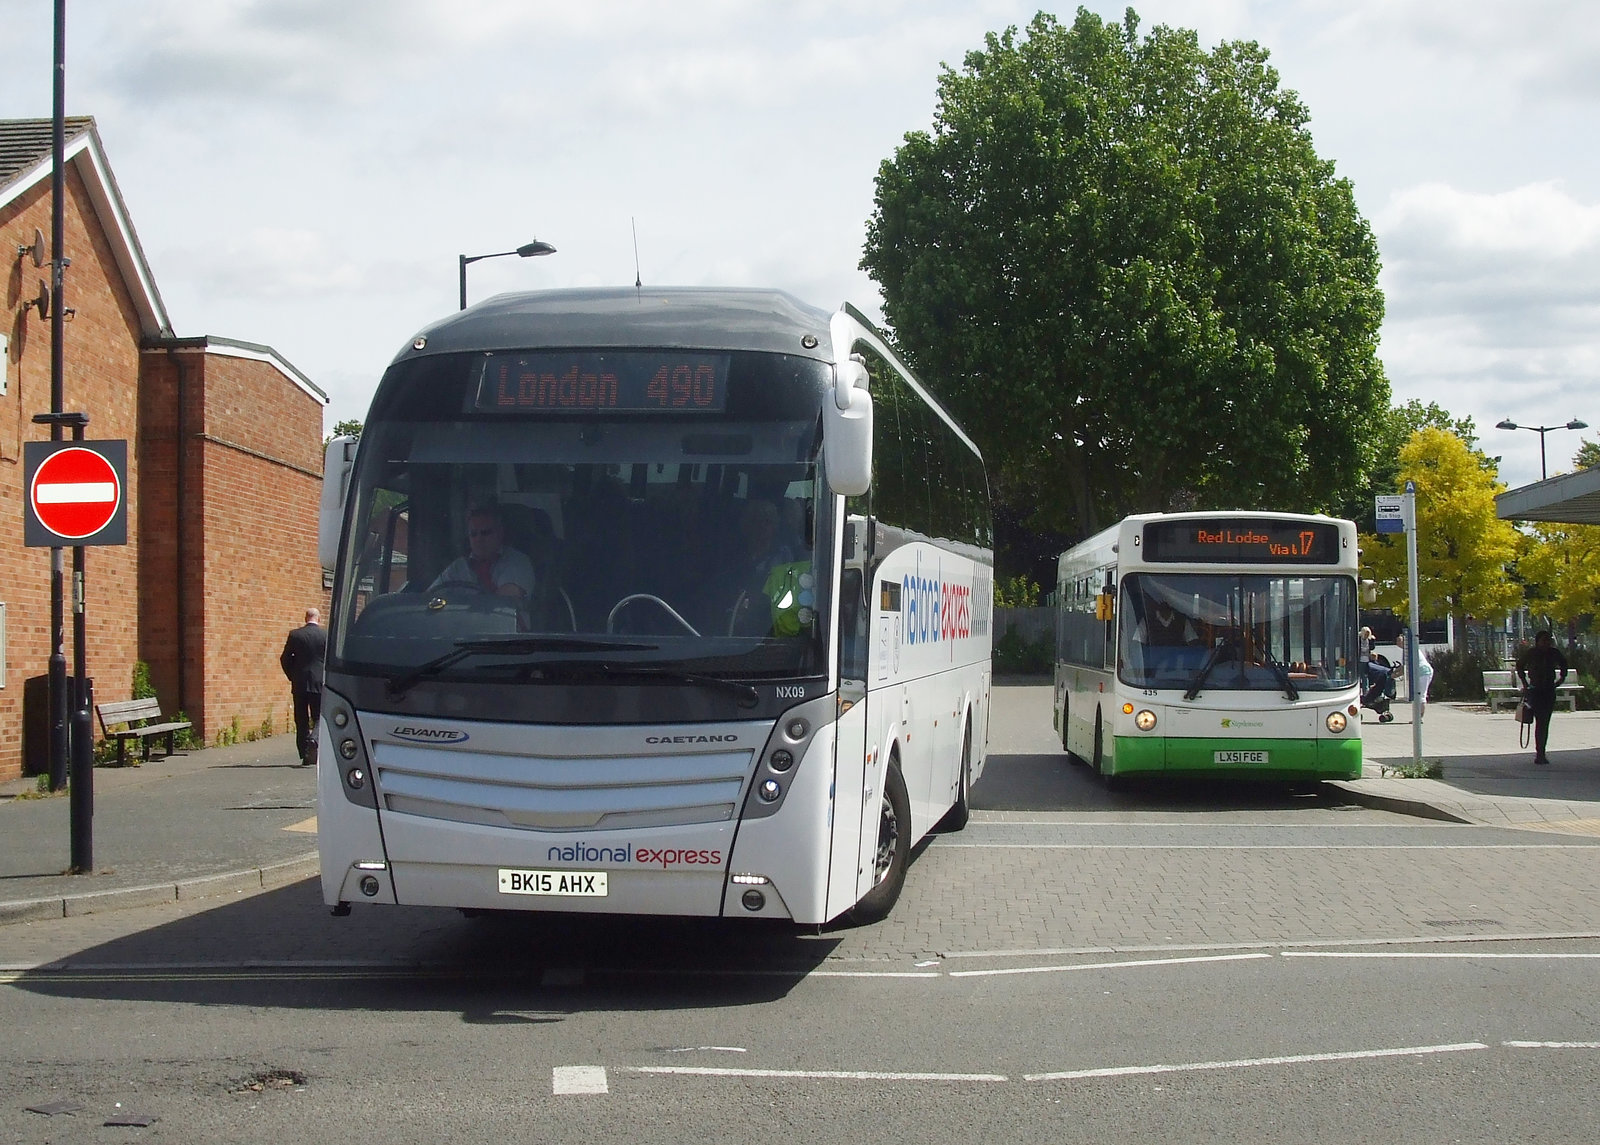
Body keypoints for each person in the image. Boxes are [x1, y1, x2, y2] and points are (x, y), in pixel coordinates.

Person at [430, 503, 535, 602]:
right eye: (473, 534)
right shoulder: (458, 567)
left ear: (500, 533)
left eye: (485, 533)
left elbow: (506, 600)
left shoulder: (517, 562)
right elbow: (429, 597)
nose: (479, 539)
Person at [279, 607, 327, 767]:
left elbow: (284, 658)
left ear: (306, 618)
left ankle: (305, 754)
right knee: (319, 716)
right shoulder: (325, 636)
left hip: (299, 683)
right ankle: (315, 738)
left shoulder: (295, 635)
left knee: (301, 719)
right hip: (319, 682)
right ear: (318, 619)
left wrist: (293, 675)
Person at [1516, 630, 1570, 765]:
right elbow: (1520, 665)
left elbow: (1564, 663)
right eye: (1544, 640)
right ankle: (1540, 752)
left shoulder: (1553, 653)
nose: (1546, 643)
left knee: (1543, 723)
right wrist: (1525, 683)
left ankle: (1541, 752)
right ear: (1538, 641)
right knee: (1538, 722)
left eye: (1548, 640)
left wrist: (1561, 679)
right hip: (1535, 690)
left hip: (1548, 690)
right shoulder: (1532, 653)